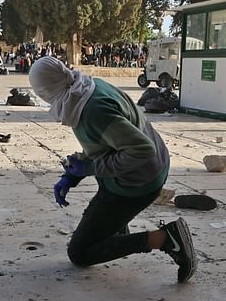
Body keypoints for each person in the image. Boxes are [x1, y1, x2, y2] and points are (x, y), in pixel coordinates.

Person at [28, 56, 197, 283]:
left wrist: (89, 168)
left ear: (45, 91)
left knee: (80, 252)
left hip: (139, 181)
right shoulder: (85, 88)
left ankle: (167, 238)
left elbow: (141, 150)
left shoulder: (92, 109)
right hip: (151, 164)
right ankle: (117, 226)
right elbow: (104, 141)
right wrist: (73, 171)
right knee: (99, 222)